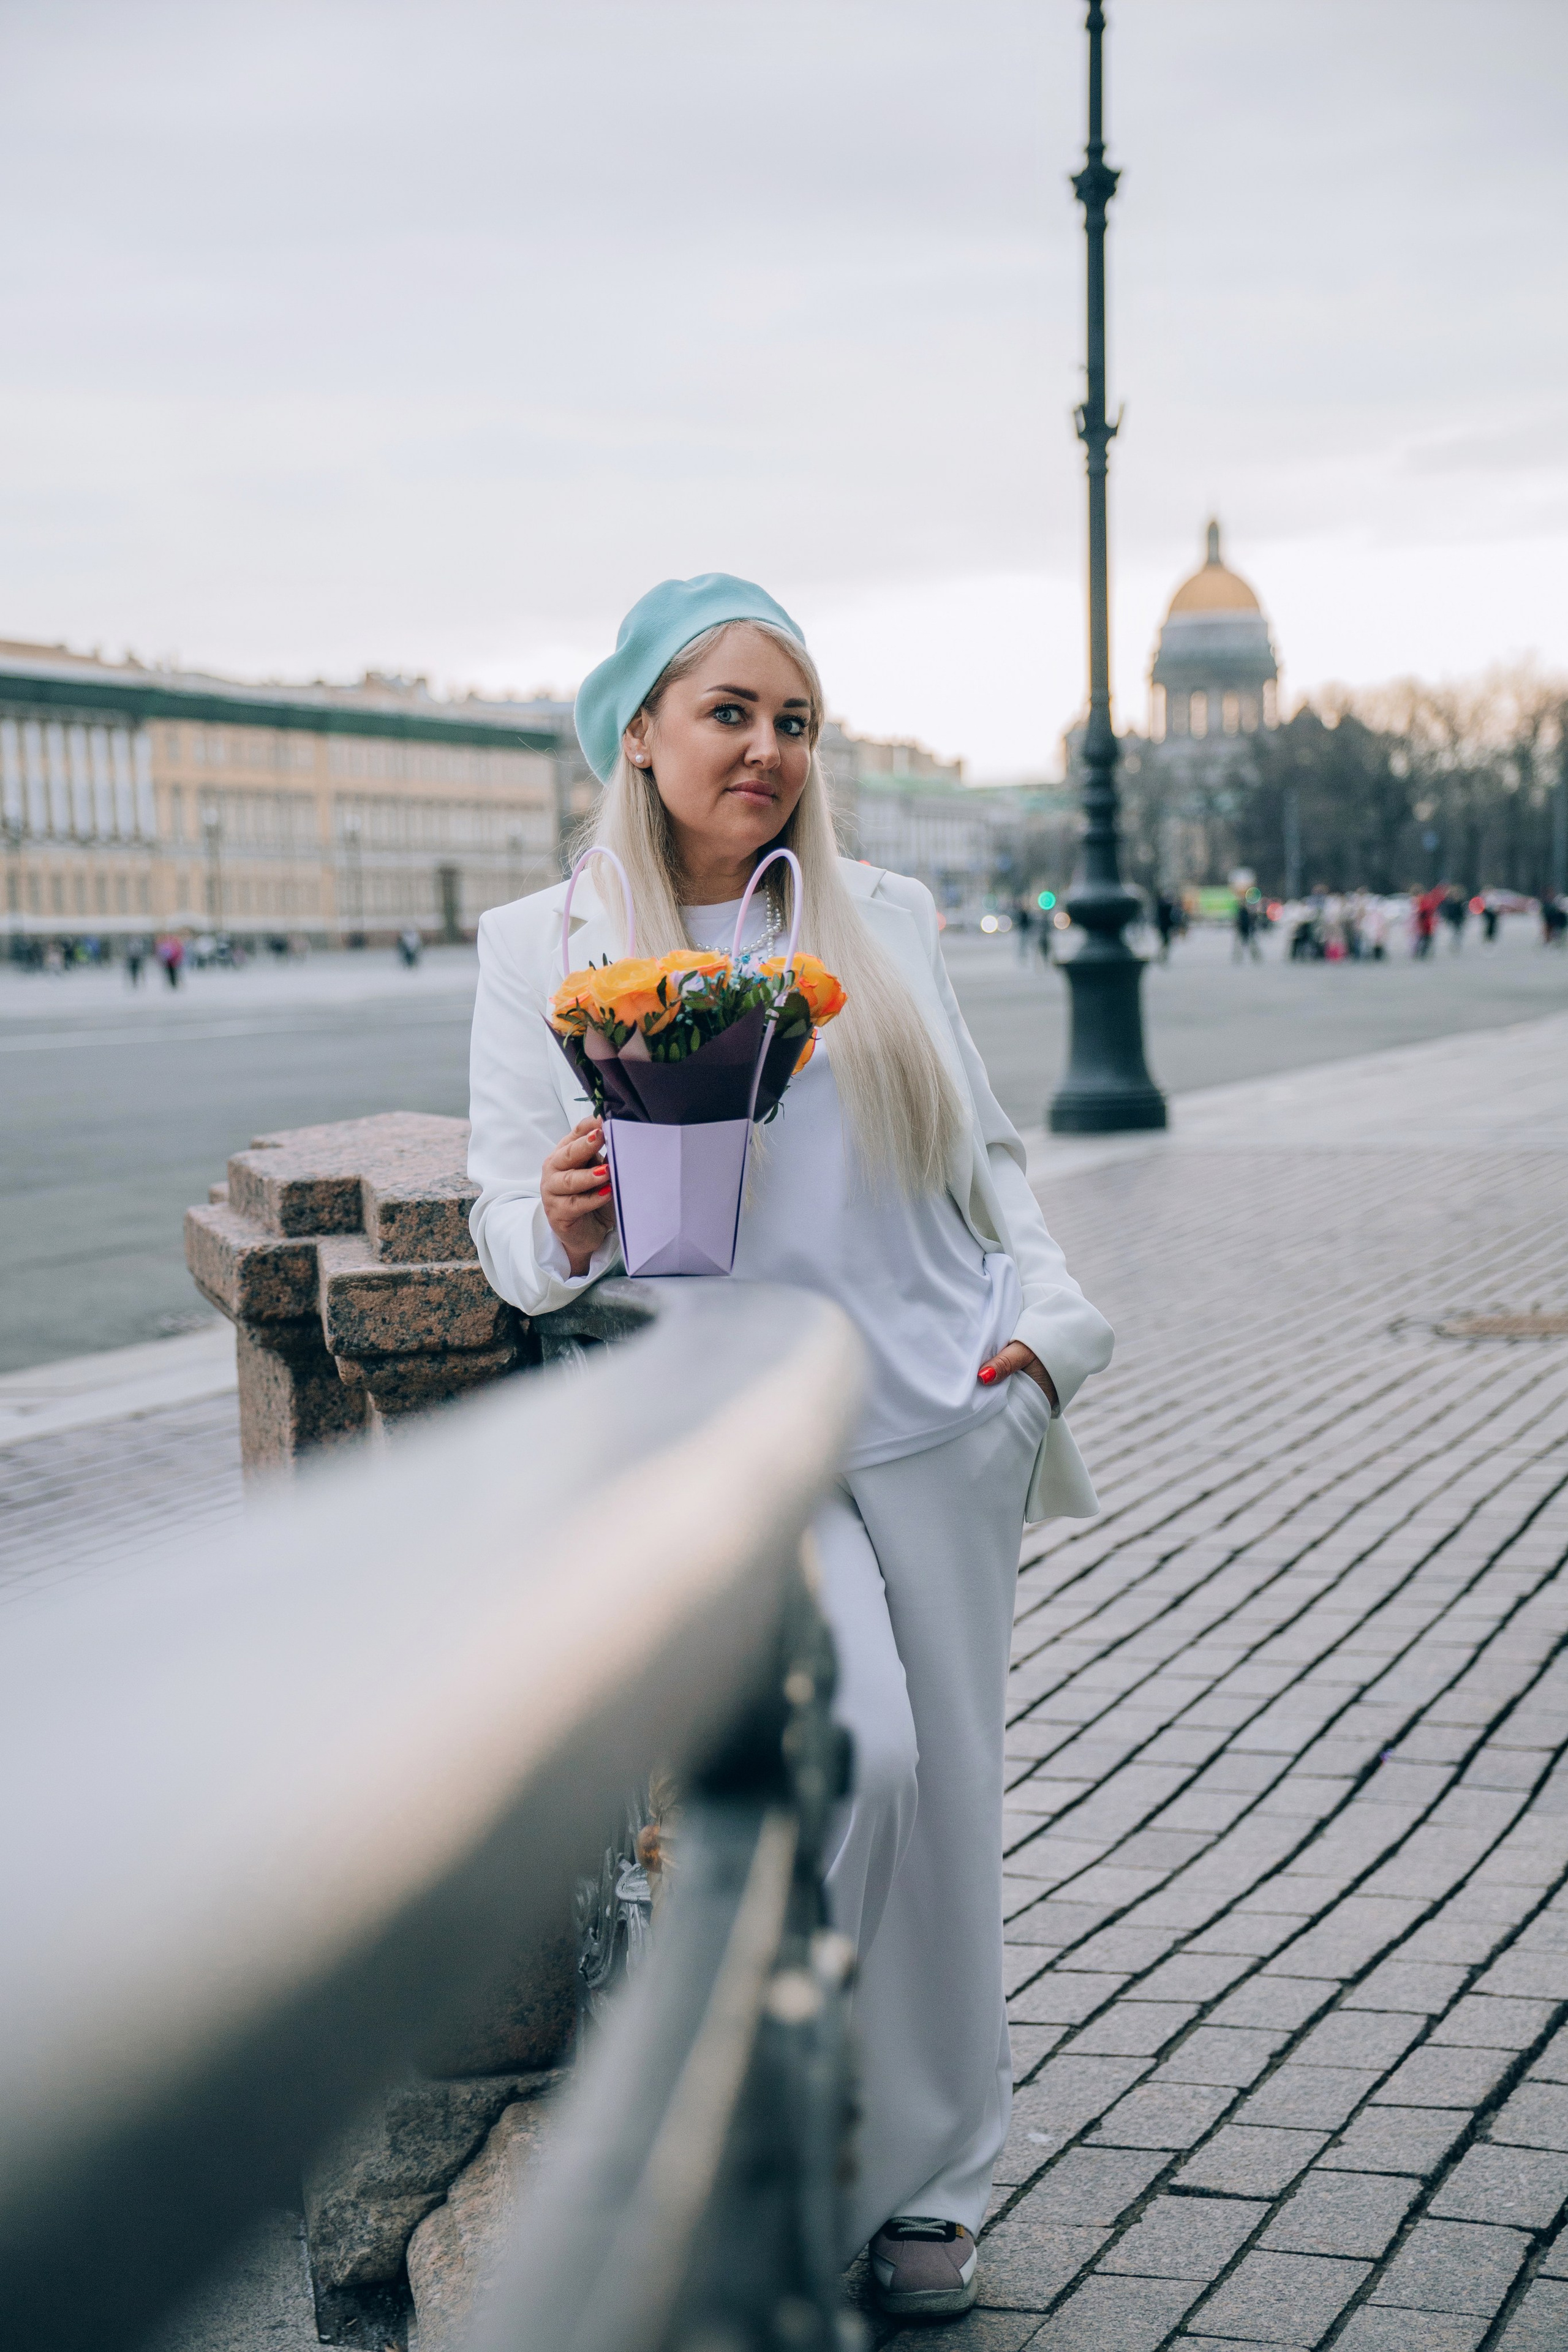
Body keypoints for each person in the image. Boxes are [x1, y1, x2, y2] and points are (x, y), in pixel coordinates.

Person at [467, 575, 1113, 2320]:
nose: (767, 749)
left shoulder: (875, 912)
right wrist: (561, 1221)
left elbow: (983, 1160)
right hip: (733, 1432)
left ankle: (933, 2185)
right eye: (731, 711)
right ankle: (768, 2162)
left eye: (794, 720)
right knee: (865, 1771)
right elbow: (511, 1240)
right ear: (641, 732)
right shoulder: (544, 947)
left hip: (933, 1410)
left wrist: (1047, 1346)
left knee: (953, 1806)